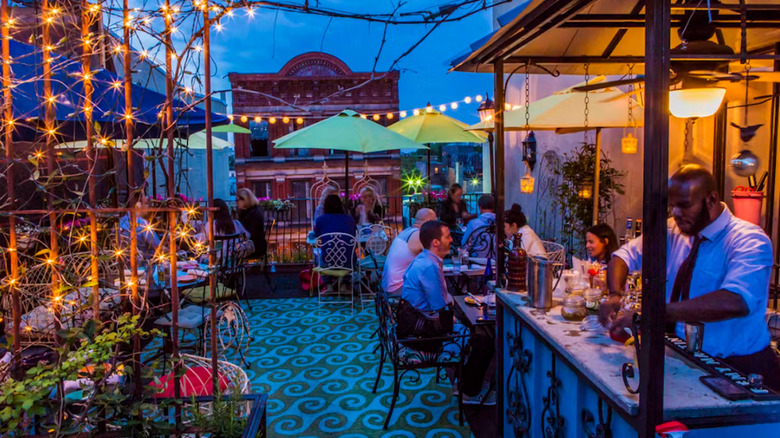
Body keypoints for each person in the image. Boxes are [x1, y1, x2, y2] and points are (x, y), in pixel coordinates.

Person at [600, 164, 780, 391]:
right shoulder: (673, 230)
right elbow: (624, 256)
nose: (676, 213)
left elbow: (736, 301)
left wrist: (657, 312)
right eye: (673, 206)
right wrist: (615, 295)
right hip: (686, 360)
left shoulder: (749, 240)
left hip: (741, 368)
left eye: (684, 206)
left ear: (711, 200)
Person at [381, 208, 437, 296]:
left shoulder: (406, 232)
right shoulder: (419, 236)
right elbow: (433, 260)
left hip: (388, 286)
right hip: (398, 289)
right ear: (429, 221)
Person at [119, 190, 161, 259]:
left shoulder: (120, 221)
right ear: (138, 205)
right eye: (146, 203)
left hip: (123, 265)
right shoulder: (142, 223)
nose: (148, 207)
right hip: (143, 265)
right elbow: (158, 248)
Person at [235, 187, 267, 260]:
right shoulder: (250, 211)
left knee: (229, 252)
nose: (236, 202)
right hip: (256, 245)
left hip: (255, 247)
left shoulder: (253, 214)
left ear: (244, 200)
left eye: (237, 200)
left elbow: (250, 234)